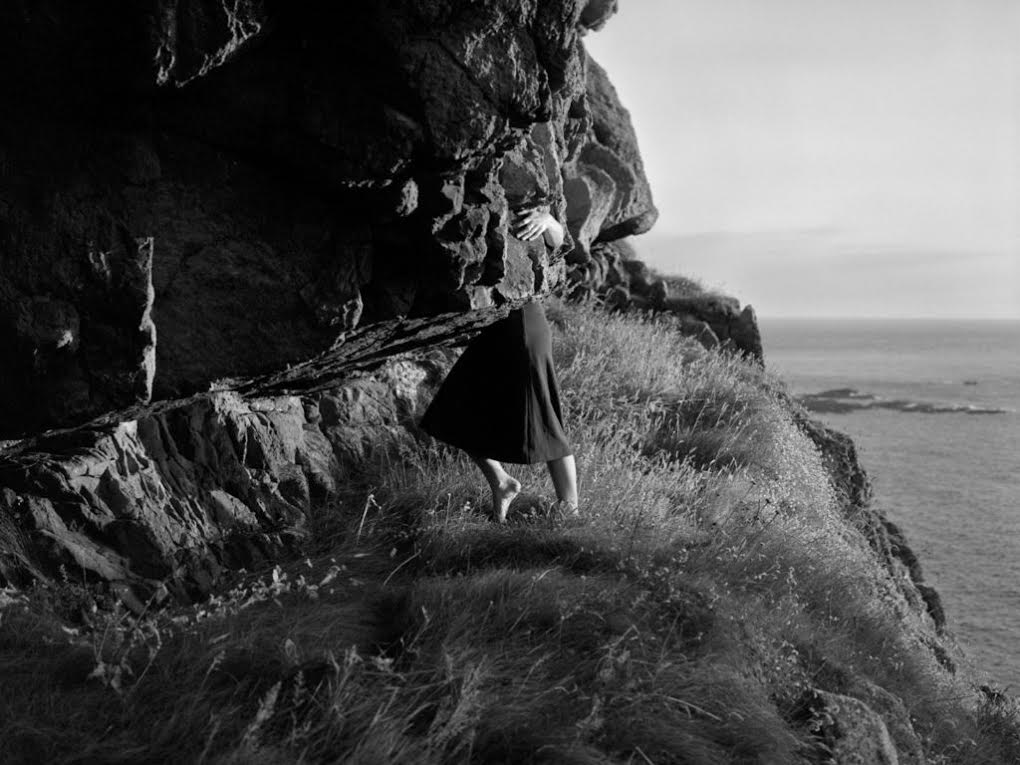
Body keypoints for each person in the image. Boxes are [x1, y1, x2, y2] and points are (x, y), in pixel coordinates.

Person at [419, 203, 578, 523]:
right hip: (493, 325)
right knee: (450, 412)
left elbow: (560, 244)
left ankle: (569, 510)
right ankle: (502, 482)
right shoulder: (481, 212)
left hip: (525, 323)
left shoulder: (527, 211)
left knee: (546, 420)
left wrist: (548, 220)